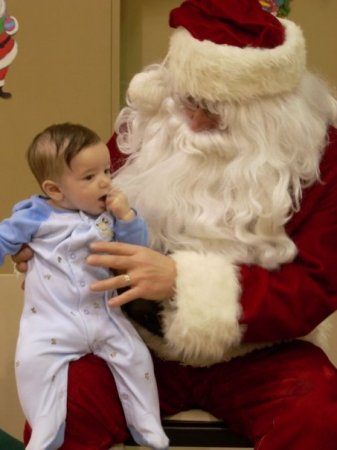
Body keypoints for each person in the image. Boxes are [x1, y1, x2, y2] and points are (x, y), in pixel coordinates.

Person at [15, 1, 337, 449]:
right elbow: (82, 205)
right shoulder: (150, 125)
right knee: (63, 401)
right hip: (133, 339)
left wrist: (181, 282)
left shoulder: (318, 156)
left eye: (219, 108)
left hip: (263, 349)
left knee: (319, 411)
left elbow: (314, 286)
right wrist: (46, 245)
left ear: (271, 107)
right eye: (190, 100)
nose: (197, 121)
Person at [1, 123, 169, 450]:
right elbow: (5, 239)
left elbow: (137, 252)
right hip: (51, 322)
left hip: (105, 318)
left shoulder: (108, 216)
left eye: (106, 170)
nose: (106, 181)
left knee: (136, 359)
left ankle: (146, 423)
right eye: (90, 177)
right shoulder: (34, 215)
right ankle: (45, 431)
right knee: (33, 366)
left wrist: (128, 218)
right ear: (54, 190)